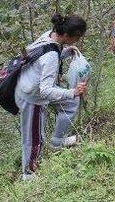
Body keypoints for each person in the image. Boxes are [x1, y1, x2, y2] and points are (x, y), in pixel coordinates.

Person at [15, 14, 88, 181]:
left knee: (70, 103)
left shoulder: (50, 36)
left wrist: (66, 52)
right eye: (76, 38)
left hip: (32, 85)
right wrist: (72, 91)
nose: (77, 41)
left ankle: (57, 141)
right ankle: (29, 175)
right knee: (33, 139)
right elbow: (45, 90)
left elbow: (41, 59)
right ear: (67, 35)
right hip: (32, 97)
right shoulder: (51, 56)